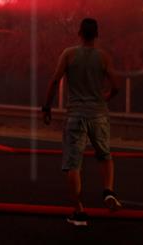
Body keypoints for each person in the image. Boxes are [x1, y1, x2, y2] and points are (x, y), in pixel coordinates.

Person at [42, 18, 121, 227]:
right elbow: (116, 86)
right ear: (96, 35)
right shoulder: (103, 57)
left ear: (79, 33)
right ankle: (108, 191)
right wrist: (105, 97)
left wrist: (47, 107)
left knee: (73, 165)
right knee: (105, 156)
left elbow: (54, 80)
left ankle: (79, 212)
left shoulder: (69, 54)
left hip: (76, 115)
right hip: (99, 115)